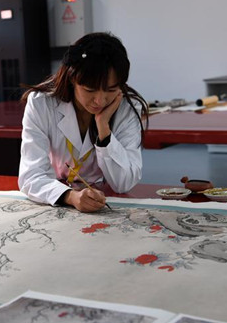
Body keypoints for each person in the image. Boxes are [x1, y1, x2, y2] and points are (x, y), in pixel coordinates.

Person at [18, 32, 149, 212]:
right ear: (73, 79)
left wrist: (104, 129)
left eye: (111, 90)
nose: (100, 101)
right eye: (90, 90)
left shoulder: (128, 109)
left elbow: (123, 183)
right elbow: (31, 176)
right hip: (56, 199)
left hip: (107, 201)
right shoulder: (41, 103)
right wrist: (70, 196)